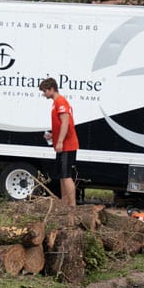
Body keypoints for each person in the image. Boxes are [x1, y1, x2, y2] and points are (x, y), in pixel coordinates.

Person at [39, 78, 79, 207]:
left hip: (67, 145)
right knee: (62, 175)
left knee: (67, 175)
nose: (43, 94)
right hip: (62, 145)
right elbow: (60, 124)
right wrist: (53, 135)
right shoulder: (56, 103)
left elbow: (65, 123)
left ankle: (72, 206)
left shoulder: (61, 101)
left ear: (51, 89)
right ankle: (64, 203)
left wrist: (60, 141)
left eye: (44, 91)